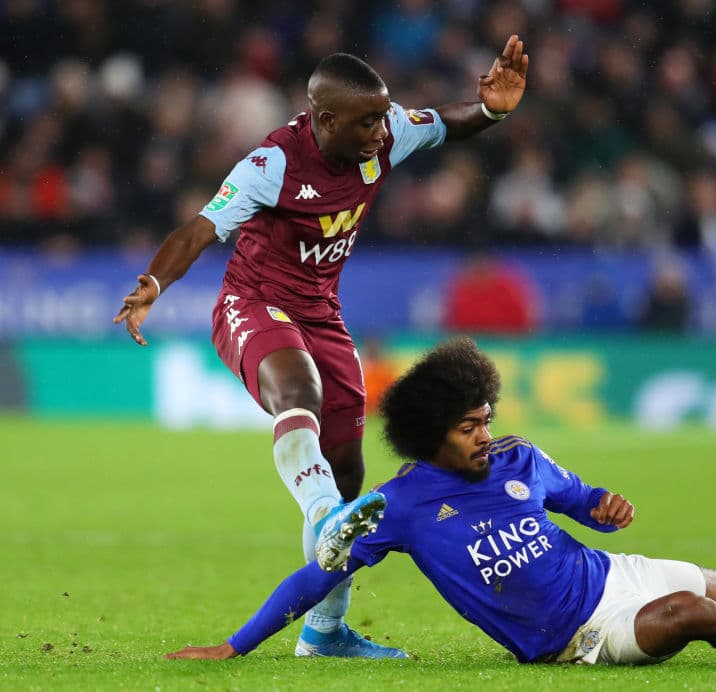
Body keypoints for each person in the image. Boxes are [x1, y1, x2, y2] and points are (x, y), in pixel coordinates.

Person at [113, 37, 529, 658]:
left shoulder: (384, 135)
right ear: (325, 120)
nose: (380, 132)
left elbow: (446, 123)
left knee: (348, 472)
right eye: (366, 122)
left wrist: (492, 109)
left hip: (321, 314)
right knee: (298, 393)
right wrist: (153, 283)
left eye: (382, 118)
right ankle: (323, 512)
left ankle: (325, 631)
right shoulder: (272, 164)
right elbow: (199, 229)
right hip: (253, 302)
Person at [166, 337, 716, 665]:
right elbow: (316, 578)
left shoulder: (518, 460)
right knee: (690, 615)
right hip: (570, 636)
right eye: (469, 427)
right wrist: (237, 645)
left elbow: (579, 498)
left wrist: (604, 507)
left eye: (486, 419)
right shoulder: (399, 506)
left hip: (611, 576)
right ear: (430, 435)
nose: (485, 436)